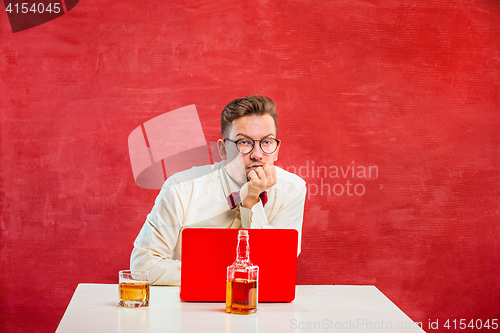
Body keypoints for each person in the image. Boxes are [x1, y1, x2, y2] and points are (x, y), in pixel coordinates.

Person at [130, 95, 306, 285]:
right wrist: (222, 275)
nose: (257, 155)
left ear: (277, 150)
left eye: (267, 142)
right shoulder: (180, 188)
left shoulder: (292, 190)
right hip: (188, 308)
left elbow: (276, 266)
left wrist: (251, 202)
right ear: (223, 150)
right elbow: (143, 265)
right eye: (244, 142)